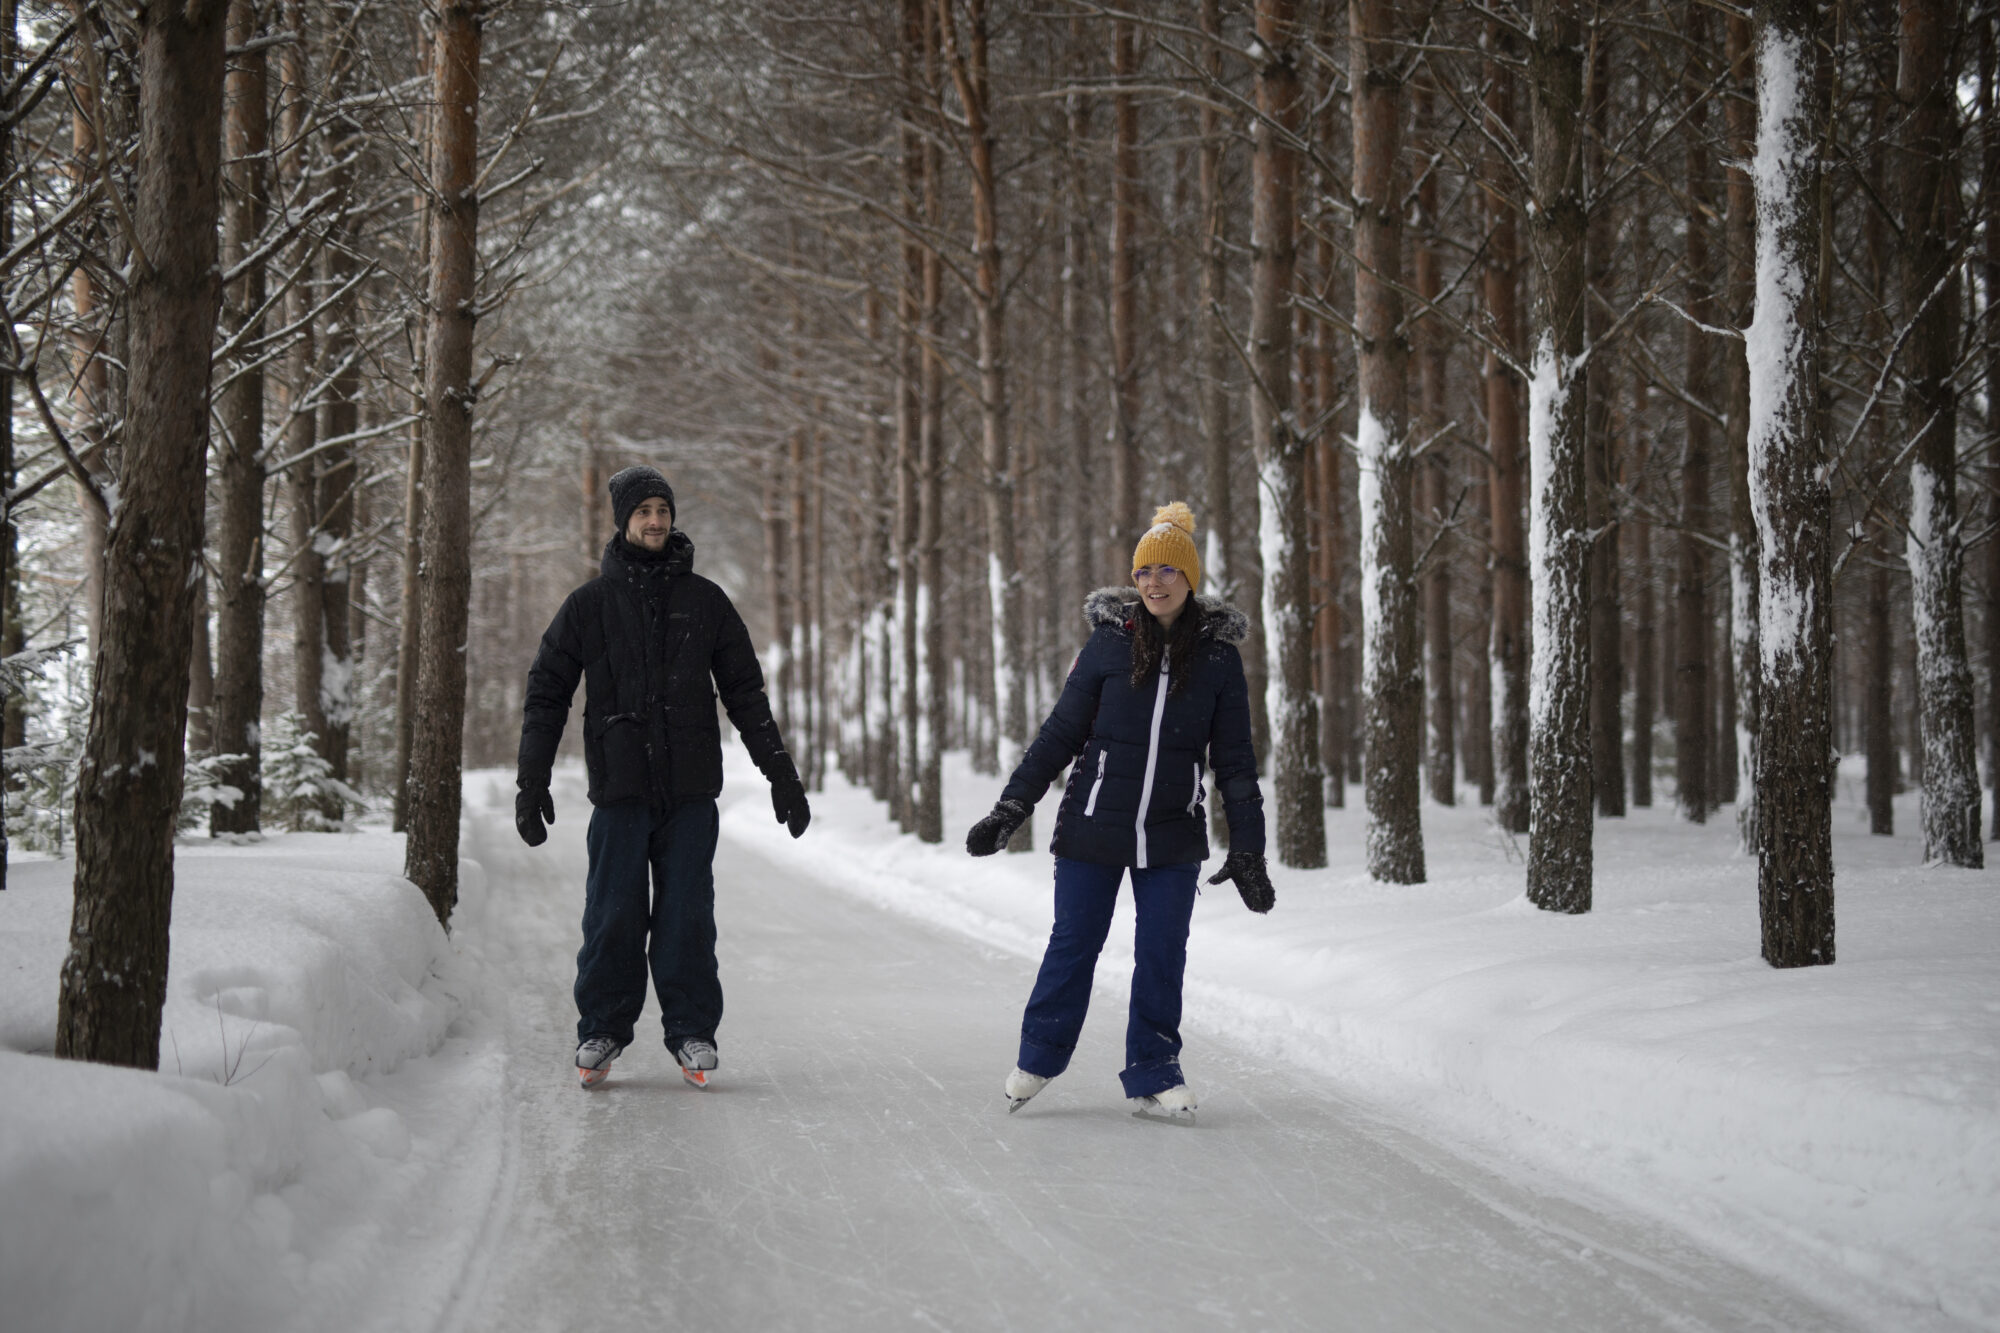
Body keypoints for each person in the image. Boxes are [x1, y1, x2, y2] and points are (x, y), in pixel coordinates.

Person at [965, 501, 1274, 1123]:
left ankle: (1154, 1072)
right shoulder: (1107, 647)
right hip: (1092, 824)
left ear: (1190, 579)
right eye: (1143, 572)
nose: (1154, 582)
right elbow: (1059, 736)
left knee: (1163, 950)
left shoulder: (1218, 660)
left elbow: (1236, 762)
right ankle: (1038, 1059)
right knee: (1074, 942)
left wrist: (1248, 847)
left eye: (1167, 571)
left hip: (1173, 832)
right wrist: (1011, 807)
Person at [515, 464, 811, 1090]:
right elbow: (547, 694)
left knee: (686, 918)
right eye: (644, 511)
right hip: (619, 793)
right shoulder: (589, 605)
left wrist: (781, 776)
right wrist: (531, 780)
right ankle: (601, 1029)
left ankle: (693, 1031)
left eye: (663, 510)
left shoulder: (705, 602)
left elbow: (746, 696)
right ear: (623, 520)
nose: (655, 521)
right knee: (612, 916)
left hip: (689, 792)